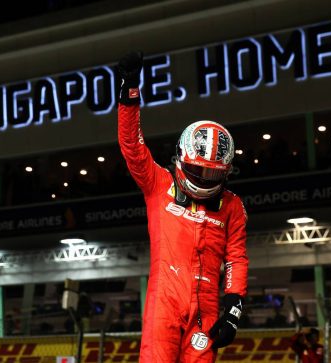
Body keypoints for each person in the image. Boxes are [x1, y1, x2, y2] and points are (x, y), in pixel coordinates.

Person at [117, 51, 249, 362]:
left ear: (227, 171)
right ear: (181, 158)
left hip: (206, 308)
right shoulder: (158, 184)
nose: (205, 179)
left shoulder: (232, 205)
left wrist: (233, 312)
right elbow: (132, 146)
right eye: (199, 170)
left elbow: (236, 259)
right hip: (164, 300)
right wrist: (129, 91)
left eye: (213, 174)